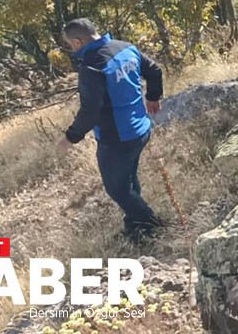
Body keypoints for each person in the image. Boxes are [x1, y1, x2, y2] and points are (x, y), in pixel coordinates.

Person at [58, 18, 166, 243]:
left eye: (70, 45)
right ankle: (136, 226)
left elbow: (91, 110)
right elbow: (154, 70)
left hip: (117, 139)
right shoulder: (125, 47)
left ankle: (151, 224)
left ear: (77, 42)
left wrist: (71, 137)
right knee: (127, 179)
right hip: (141, 129)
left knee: (117, 189)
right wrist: (153, 97)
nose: (71, 49)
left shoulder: (91, 65)